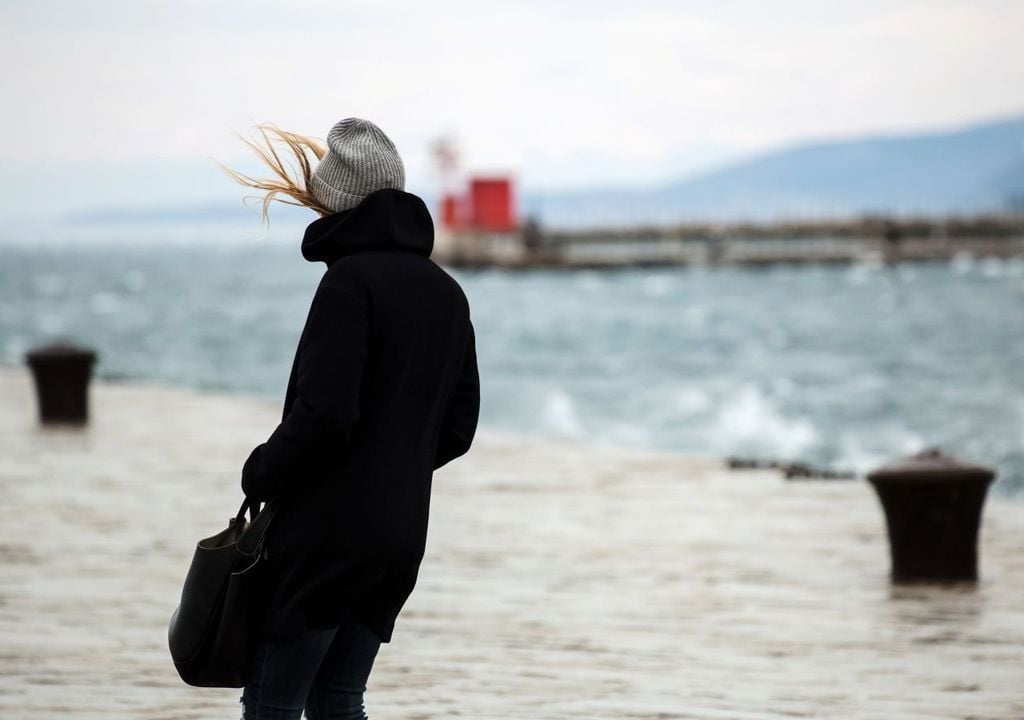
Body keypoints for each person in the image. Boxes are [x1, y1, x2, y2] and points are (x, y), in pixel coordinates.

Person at [222, 118, 480, 719]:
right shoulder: (448, 293)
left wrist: (259, 471)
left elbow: (324, 417)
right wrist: (394, 460)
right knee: (338, 701)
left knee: (273, 706)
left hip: (327, 538)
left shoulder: (348, 283)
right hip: (400, 535)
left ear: (334, 201)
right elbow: (458, 428)